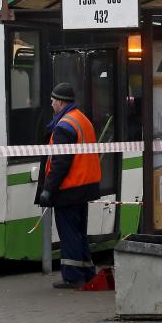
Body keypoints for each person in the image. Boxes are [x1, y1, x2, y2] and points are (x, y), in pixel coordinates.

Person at [35, 82, 102, 289]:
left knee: (69, 233)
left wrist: (48, 189)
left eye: (53, 101)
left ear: (61, 102)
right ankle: (87, 272)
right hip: (84, 186)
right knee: (79, 232)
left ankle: (73, 277)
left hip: (70, 188)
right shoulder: (81, 119)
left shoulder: (64, 126)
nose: (51, 104)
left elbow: (60, 163)